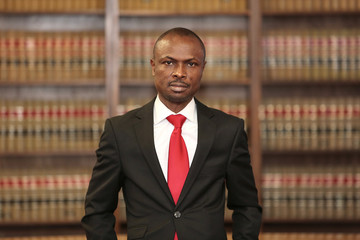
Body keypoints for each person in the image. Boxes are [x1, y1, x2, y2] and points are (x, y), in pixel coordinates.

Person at [81, 27, 262, 240]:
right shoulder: (120, 132)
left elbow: (247, 206)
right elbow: (97, 210)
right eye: (169, 62)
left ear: (202, 68)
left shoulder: (228, 130)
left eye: (191, 64)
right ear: (153, 66)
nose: (179, 72)